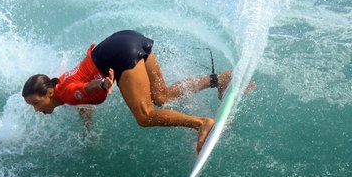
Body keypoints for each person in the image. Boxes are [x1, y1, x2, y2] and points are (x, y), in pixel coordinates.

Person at [22, 30, 243, 153]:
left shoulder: (66, 93)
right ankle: (219, 79)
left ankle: (201, 123)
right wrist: (88, 130)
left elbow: (82, 90)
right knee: (161, 96)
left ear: (49, 93)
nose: (36, 110)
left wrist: (101, 85)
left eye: (36, 103)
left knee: (144, 116)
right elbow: (82, 99)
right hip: (125, 39)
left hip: (119, 54)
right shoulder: (60, 83)